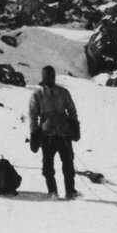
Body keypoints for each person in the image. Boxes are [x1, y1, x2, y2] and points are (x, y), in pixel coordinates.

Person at [28, 65, 79, 200]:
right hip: (47, 135)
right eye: (47, 76)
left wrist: (75, 126)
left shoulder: (63, 93)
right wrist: (34, 134)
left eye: (51, 75)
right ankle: (53, 192)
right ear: (43, 77)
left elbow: (72, 110)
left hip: (63, 134)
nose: (49, 78)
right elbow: (33, 115)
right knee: (47, 166)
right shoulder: (37, 94)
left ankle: (70, 192)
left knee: (68, 164)